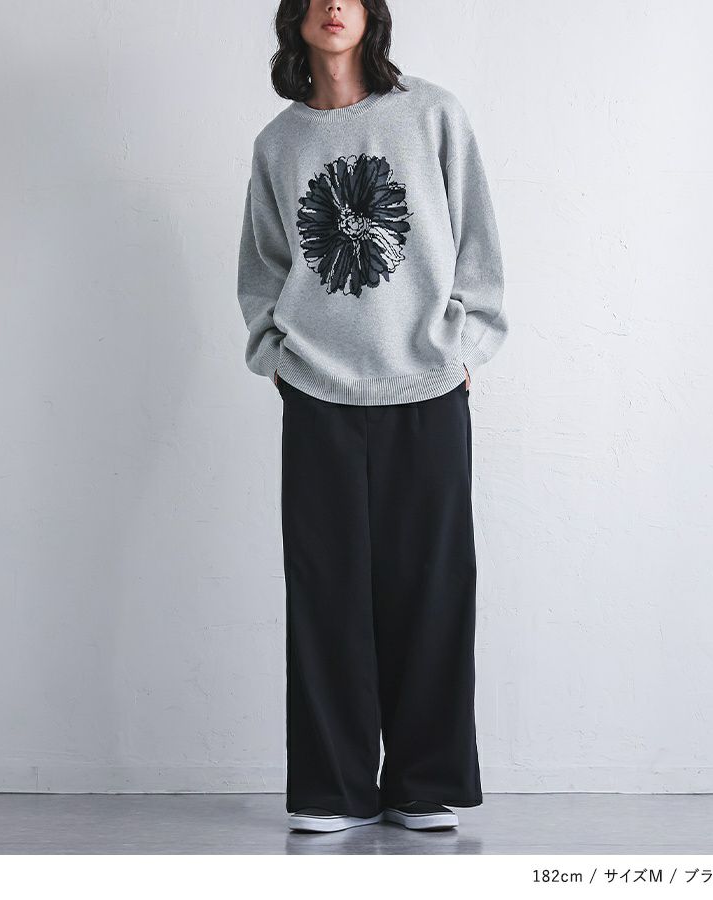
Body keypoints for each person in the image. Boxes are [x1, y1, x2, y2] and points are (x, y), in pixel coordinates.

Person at [236, 0, 508, 834]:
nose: (334, 5)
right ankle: (333, 789)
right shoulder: (279, 143)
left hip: (425, 386)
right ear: (295, 18)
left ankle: (423, 784)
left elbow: (477, 240)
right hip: (317, 392)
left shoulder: (431, 114)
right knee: (325, 592)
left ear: (372, 15)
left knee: (432, 587)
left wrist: (468, 347)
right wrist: (277, 357)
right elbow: (263, 266)